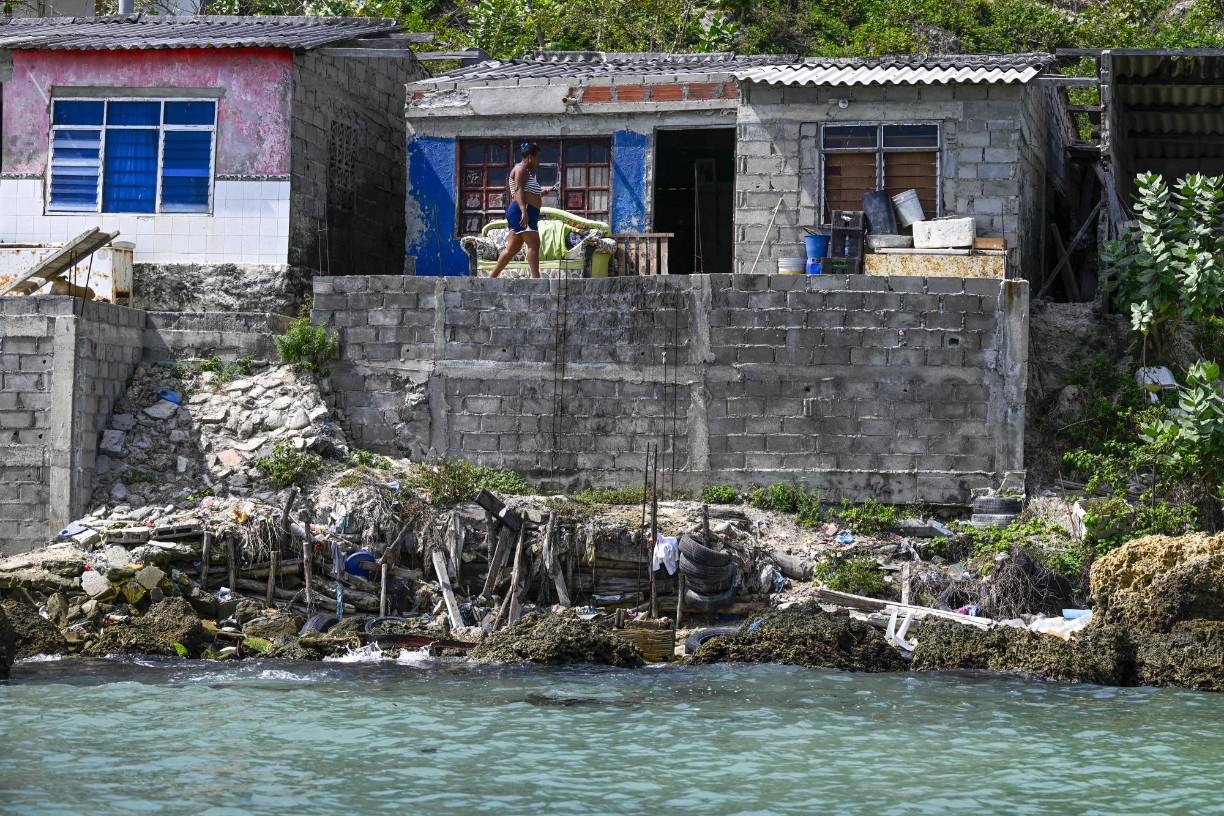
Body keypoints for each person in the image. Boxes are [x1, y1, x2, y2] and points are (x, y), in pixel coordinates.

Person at [489, 142, 555, 279]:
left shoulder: (525, 171)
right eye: (538, 157)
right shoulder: (520, 169)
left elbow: (527, 191)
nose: (539, 161)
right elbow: (518, 190)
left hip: (525, 210)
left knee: (512, 249)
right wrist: (524, 211)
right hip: (523, 211)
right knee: (534, 244)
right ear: (530, 157)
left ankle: (491, 277)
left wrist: (541, 193)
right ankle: (536, 280)